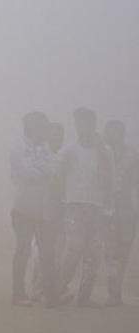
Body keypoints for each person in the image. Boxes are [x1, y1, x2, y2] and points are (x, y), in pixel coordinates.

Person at [57, 108, 115, 307]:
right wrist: (61, 200)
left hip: (97, 206)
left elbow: (110, 179)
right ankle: (58, 289)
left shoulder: (104, 152)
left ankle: (84, 296)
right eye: (79, 123)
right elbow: (58, 176)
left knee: (93, 251)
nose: (83, 127)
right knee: (73, 248)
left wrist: (108, 206)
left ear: (93, 124)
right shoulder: (69, 150)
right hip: (74, 204)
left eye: (86, 123)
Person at [9, 111, 57, 306]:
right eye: (43, 126)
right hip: (24, 206)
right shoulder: (18, 148)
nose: (47, 130)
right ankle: (18, 293)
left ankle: (49, 294)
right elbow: (25, 173)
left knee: (47, 251)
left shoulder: (46, 148)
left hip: (44, 207)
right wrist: (43, 171)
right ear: (33, 127)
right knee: (23, 249)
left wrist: (41, 172)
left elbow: (53, 171)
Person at [31, 121, 67, 301]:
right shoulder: (40, 156)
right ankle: (38, 289)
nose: (57, 138)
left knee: (57, 251)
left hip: (59, 211)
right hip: (41, 210)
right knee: (41, 252)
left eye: (60, 135)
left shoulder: (64, 156)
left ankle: (51, 290)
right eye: (54, 135)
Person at [104, 120, 138, 305]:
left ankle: (116, 291)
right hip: (107, 209)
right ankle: (112, 292)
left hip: (127, 209)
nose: (110, 136)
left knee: (123, 250)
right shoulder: (100, 154)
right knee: (110, 251)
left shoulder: (133, 155)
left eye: (115, 132)